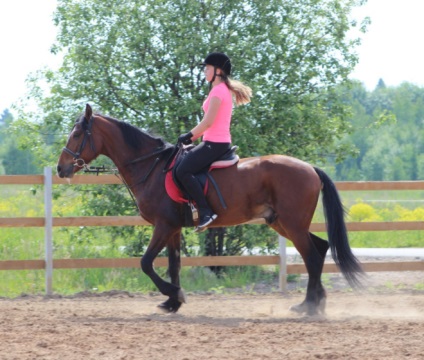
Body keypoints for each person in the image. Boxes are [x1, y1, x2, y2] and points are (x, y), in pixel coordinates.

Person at [176, 52, 252, 232]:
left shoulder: (218, 91)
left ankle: (206, 212)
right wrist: (192, 138)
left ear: (218, 71)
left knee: (182, 170)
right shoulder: (220, 90)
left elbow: (208, 121)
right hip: (213, 142)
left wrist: (189, 136)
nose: (204, 71)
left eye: (207, 68)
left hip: (215, 144)